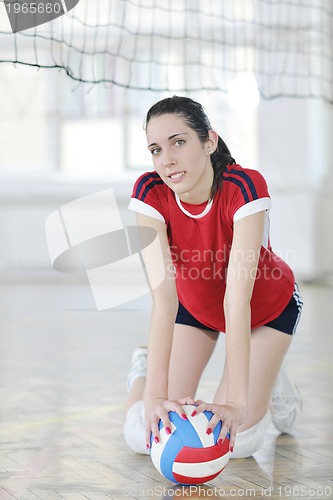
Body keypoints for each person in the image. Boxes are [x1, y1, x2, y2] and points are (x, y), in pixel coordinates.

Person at [123, 96, 303, 458]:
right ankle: (146, 367)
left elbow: (236, 302)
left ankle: (269, 374)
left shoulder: (245, 187)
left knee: (236, 445)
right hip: (195, 308)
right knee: (142, 434)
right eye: (156, 149)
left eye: (179, 142)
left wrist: (237, 403)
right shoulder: (150, 193)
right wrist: (156, 397)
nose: (167, 160)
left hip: (264, 310)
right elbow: (164, 299)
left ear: (209, 141)